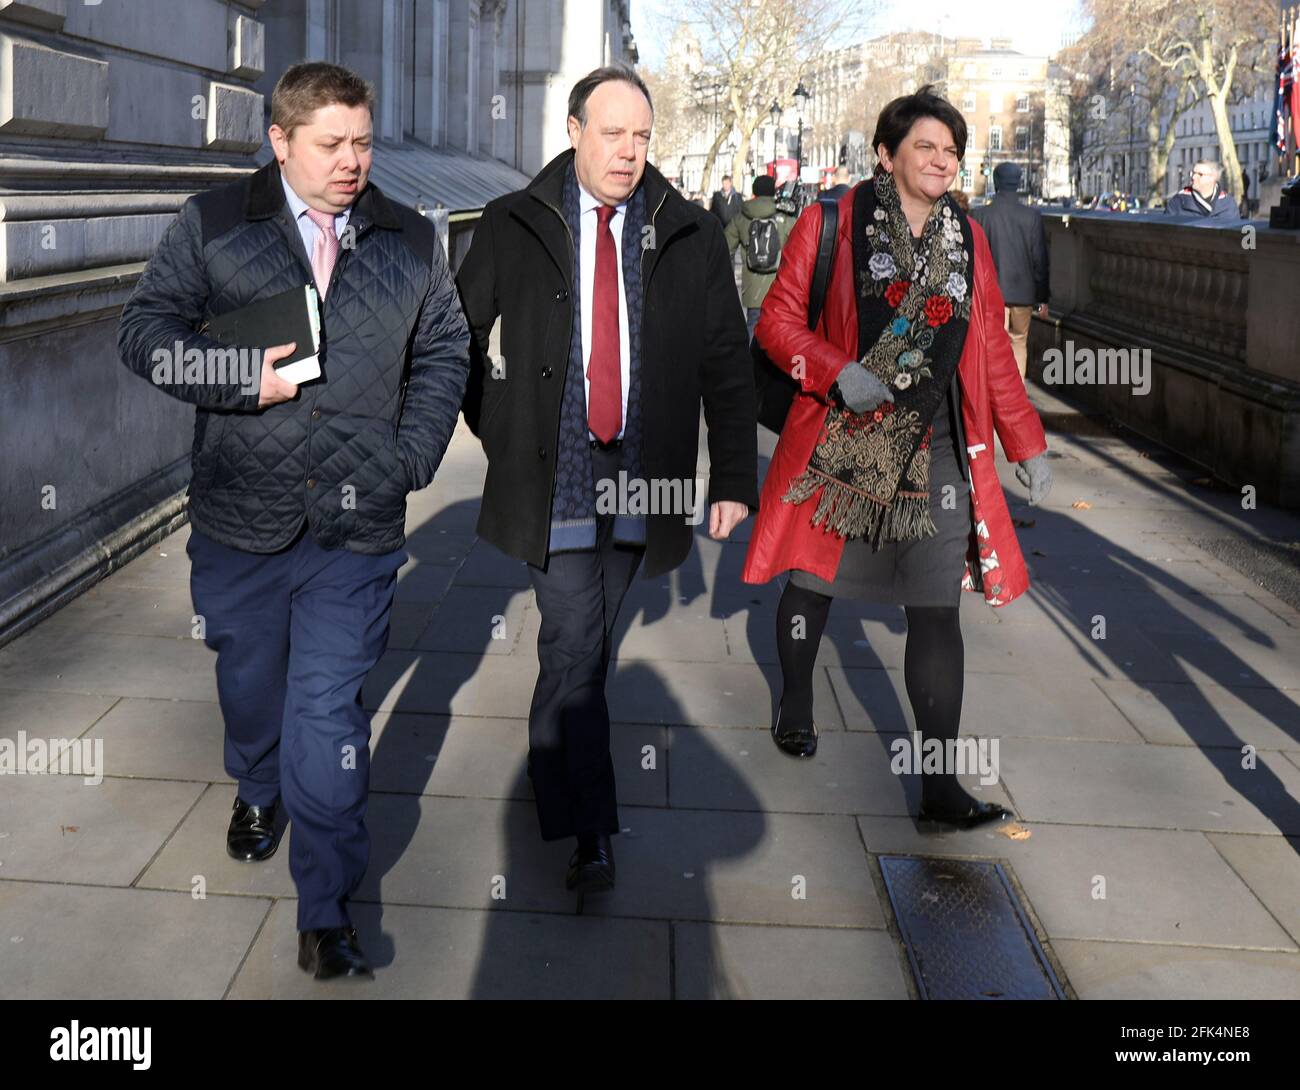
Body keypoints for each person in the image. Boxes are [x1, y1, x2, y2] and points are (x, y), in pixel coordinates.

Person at [116, 62, 471, 979]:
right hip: (241, 520)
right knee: (250, 683)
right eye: (331, 145)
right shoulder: (213, 223)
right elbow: (144, 333)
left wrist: (411, 458)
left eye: (363, 141)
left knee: (328, 716)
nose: (354, 161)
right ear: (280, 142)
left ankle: (326, 909)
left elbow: (445, 347)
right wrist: (236, 378)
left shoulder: (407, 235)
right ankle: (255, 783)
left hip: (356, 535)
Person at [455, 64, 758, 894]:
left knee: (583, 651)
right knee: (574, 642)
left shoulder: (687, 232)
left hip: (642, 479)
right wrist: (501, 429)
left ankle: (556, 771)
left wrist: (733, 475)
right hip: (553, 475)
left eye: (642, 138)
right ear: (575, 130)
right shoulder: (514, 222)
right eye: (613, 134)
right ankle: (589, 827)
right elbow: (457, 336)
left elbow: (726, 363)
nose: (629, 154)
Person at [742, 85, 1052, 829]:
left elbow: (988, 351)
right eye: (926, 147)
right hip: (842, 438)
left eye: (952, 151)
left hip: (938, 449)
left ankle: (939, 787)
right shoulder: (832, 223)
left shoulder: (967, 239)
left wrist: (1025, 439)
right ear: (886, 155)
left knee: (936, 610)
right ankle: (794, 700)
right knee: (812, 585)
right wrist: (832, 368)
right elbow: (776, 323)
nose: (942, 161)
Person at [969, 162, 1049, 381]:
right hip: (1024, 294)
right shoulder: (1032, 216)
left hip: (993, 294)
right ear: (1018, 182)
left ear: (996, 182)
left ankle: (996, 392)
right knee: (1019, 342)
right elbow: (1040, 260)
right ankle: (1018, 389)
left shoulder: (980, 215)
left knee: (995, 344)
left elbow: (975, 259)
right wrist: (1042, 298)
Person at [725, 173, 796, 342]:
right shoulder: (784, 216)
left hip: (752, 287)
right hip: (779, 285)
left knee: (753, 324)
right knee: (779, 327)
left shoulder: (742, 217)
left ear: (754, 191)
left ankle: (750, 365)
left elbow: (726, 246)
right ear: (773, 192)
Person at [1164, 160, 1240, 220]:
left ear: (1213, 178)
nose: (1193, 177)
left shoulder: (1228, 204)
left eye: (1200, 174)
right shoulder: (1178, 202)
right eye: (1193, 173)